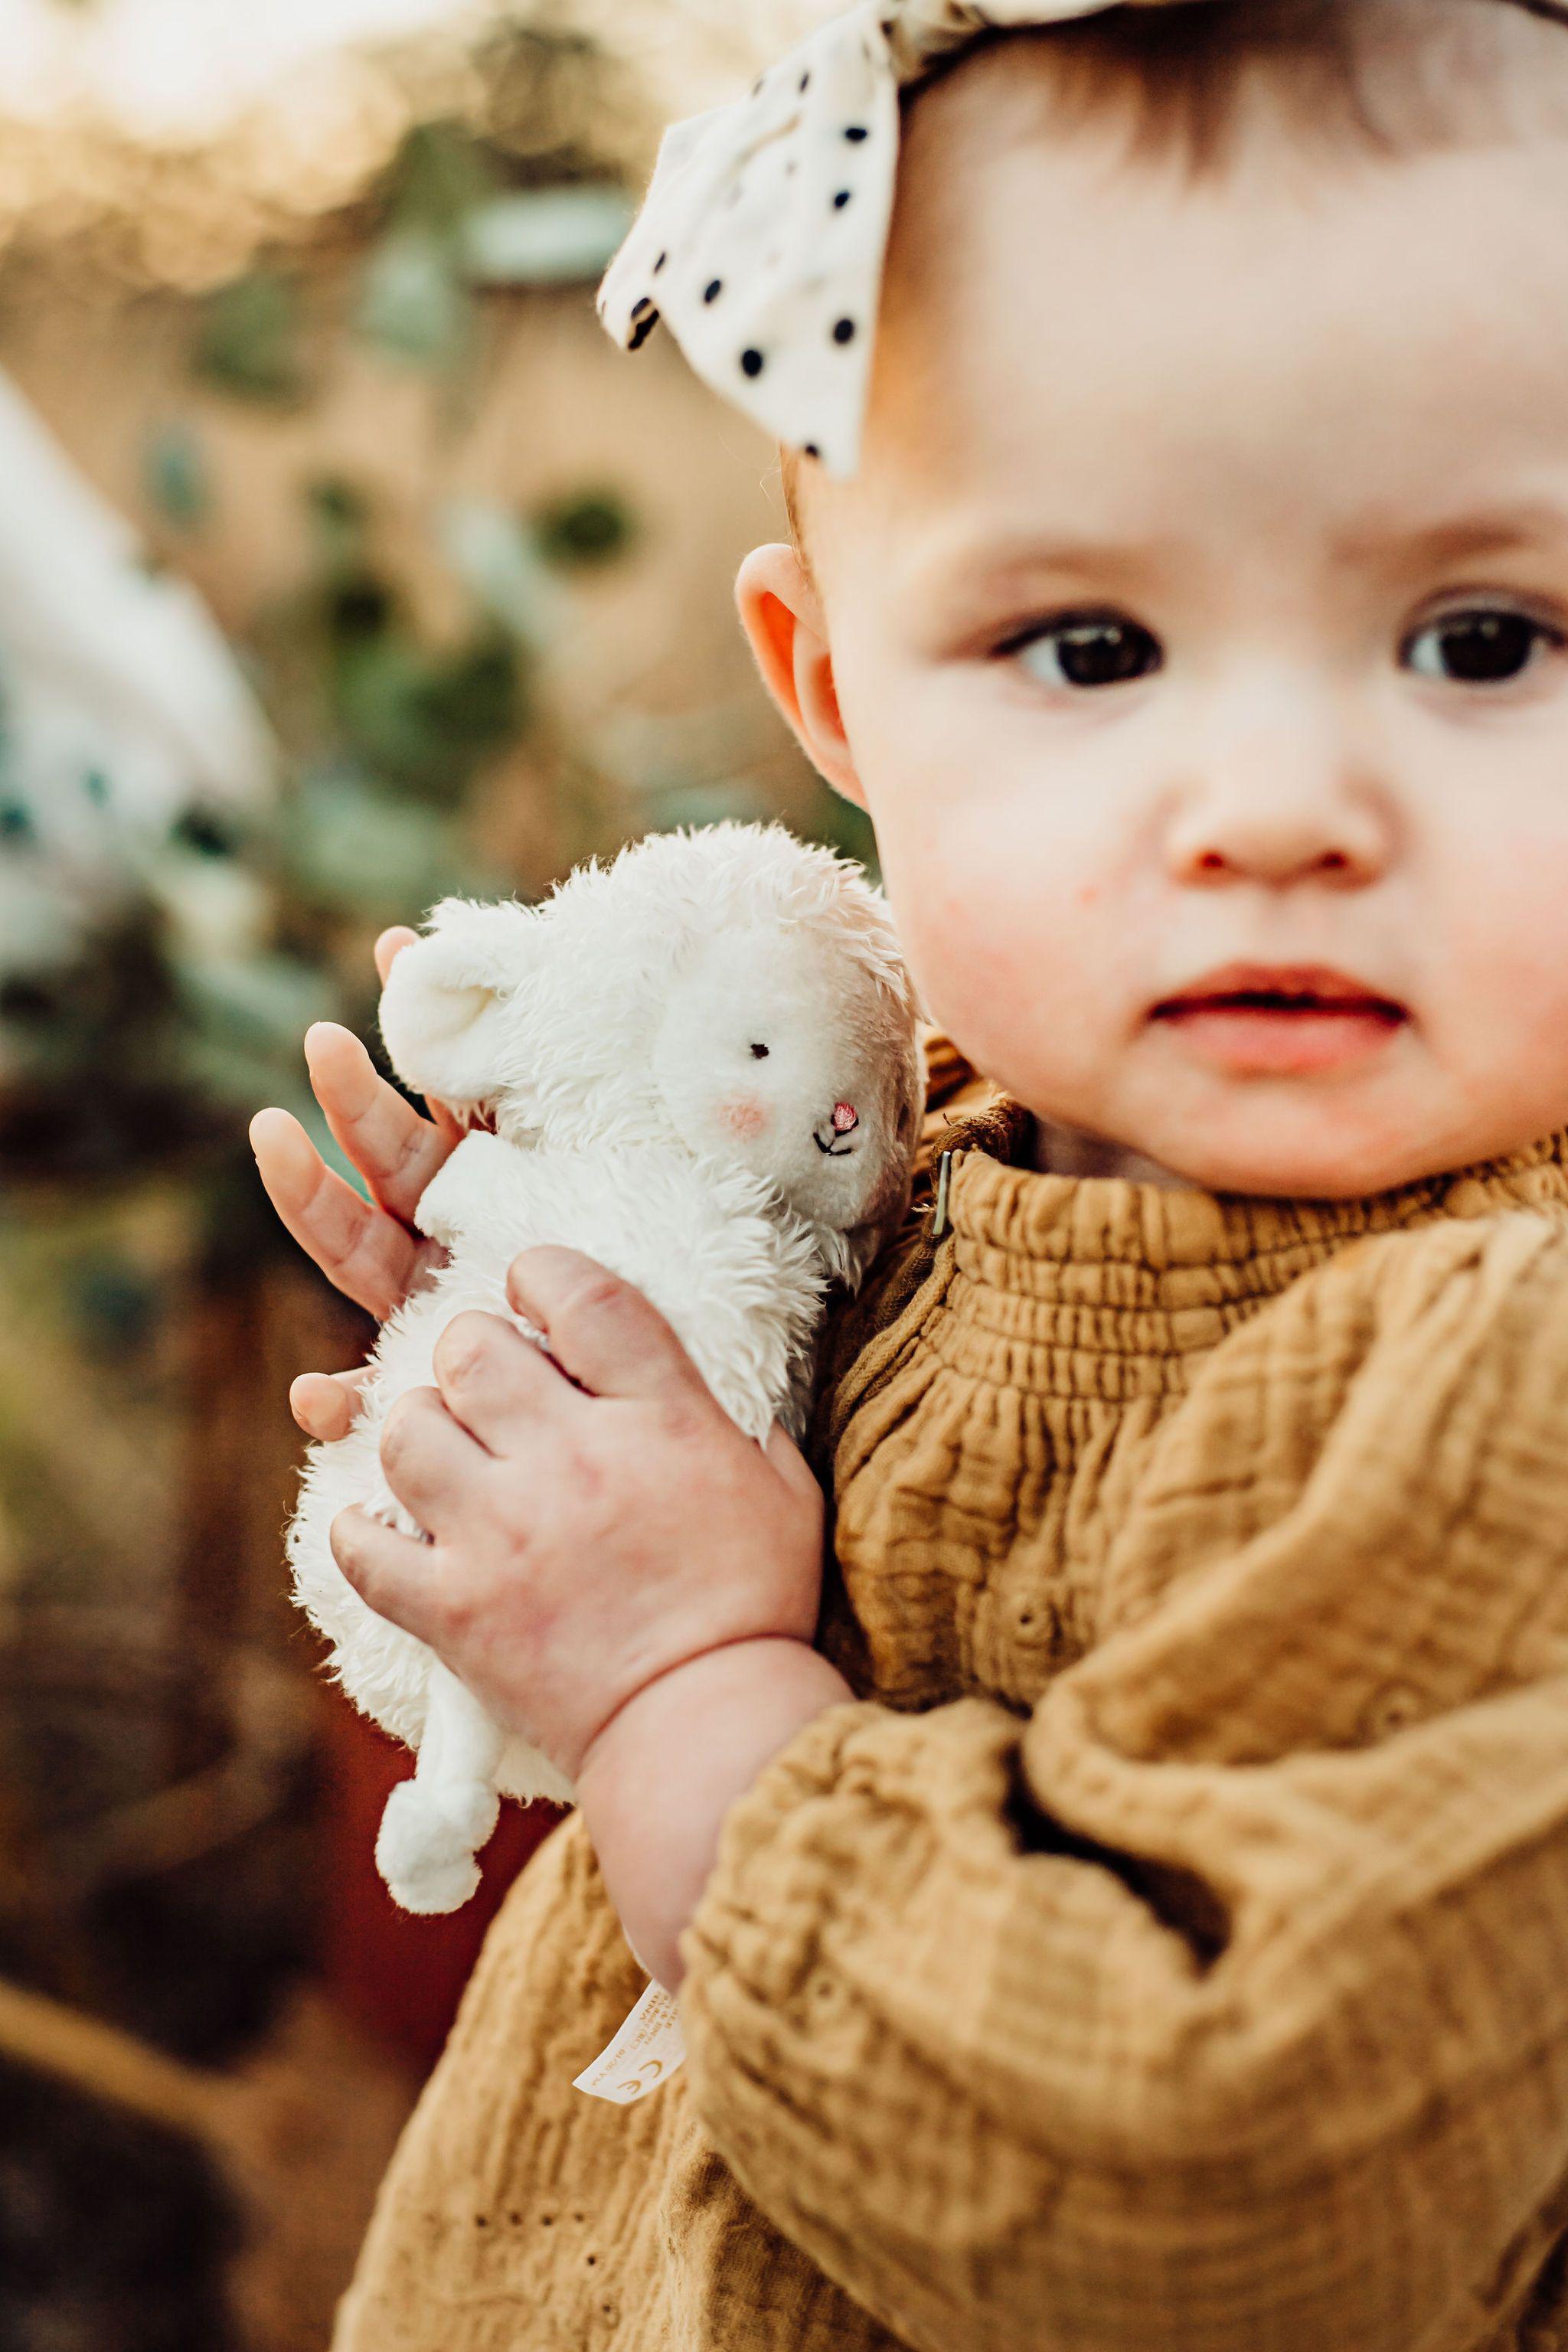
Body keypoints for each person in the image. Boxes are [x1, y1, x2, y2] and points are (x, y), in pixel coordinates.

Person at [248, 3, 1568, 2345]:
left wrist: (681, 1681)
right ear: (837, 688)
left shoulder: (1514, 1384)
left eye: (1485, 639)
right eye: (1089, 644)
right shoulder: (936, 1171)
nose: (1273, 806)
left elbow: (1211, 2199)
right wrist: (610, 1387)